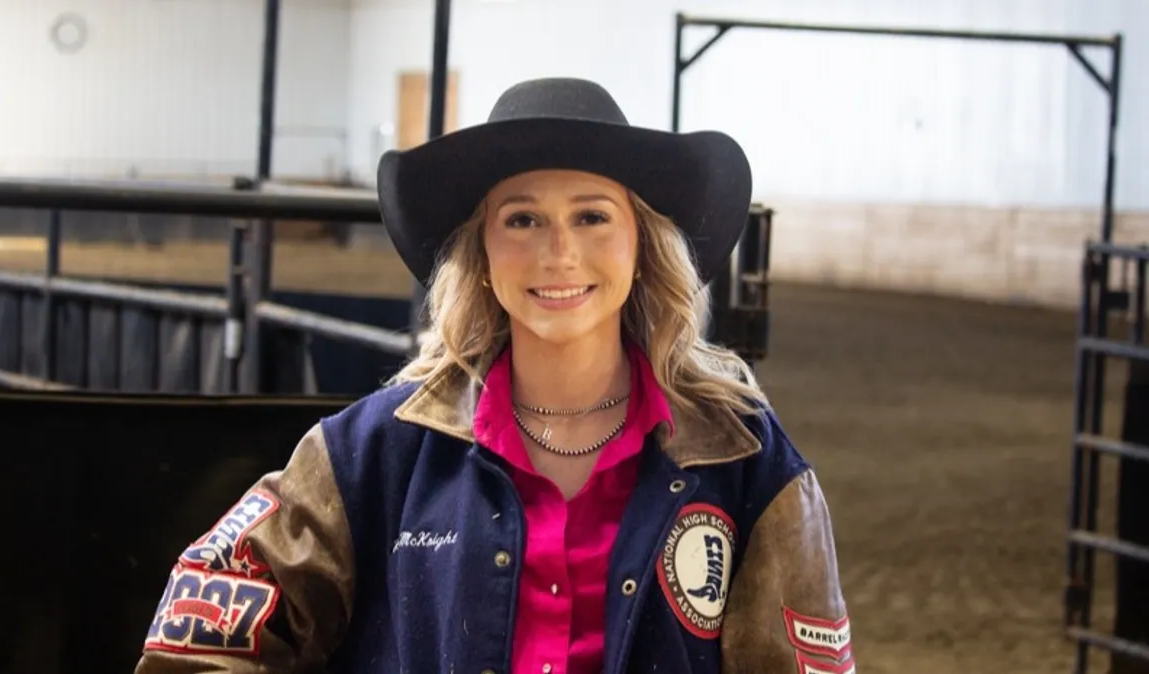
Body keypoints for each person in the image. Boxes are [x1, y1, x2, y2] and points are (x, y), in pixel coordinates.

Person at [135, 78, 851, 674]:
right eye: (522, 220)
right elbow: (197, 639)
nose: (559, 253)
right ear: (481, 251)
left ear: (642, 248)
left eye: (593, 216)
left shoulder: (745, 461)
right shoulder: (369, 455)